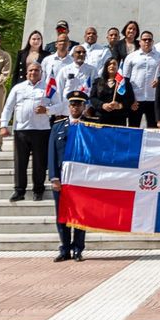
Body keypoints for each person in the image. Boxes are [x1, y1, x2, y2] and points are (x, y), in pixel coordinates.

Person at [0, 60, 54, 202]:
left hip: (41, 130)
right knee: (20, 162)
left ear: (41, 73)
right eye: (31, 70)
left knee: (39, 163)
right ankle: (19, 191)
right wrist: (3, 125)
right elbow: (8, 107)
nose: (33, 73)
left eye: (36, 70)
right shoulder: (18, 88)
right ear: (26, 73)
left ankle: (38, 190)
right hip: (21, 130)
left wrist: (47, 110)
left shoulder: (49, 88)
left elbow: (60, 105)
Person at [47, 91, 88, 262]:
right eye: (72, 104)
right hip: (62, 178)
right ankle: (65, 249)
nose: (75, 108)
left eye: (78, 105)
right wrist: (54, 177)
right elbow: (51, 153)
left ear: (83, 107)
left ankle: (78, 248)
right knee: (62, 215)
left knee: (80, 215)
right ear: (68, 106)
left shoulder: (91, 127)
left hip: (82, 178)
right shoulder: (58, 126)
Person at [122, 31, 160, 128]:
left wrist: (159, 79)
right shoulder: (131, 57)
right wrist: (131, 99)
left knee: (153, 129)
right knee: (133, 128)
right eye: (144, 39)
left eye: (149, 40)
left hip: (153, 99)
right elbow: (126, 79)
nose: (147, 42)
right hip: (136, 100)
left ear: (153, 42)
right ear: (140, 42)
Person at [88, 58, 135, 125]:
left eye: (114, 64)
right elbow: (92, 98)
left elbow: (130, 99)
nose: (112, 66)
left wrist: (119, 105)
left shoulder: (124, 82)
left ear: (118, 67)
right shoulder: (98, 81)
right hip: (101, 117)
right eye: (109, 64)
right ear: (106, 67)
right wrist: (102, 105)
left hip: (119, 118)